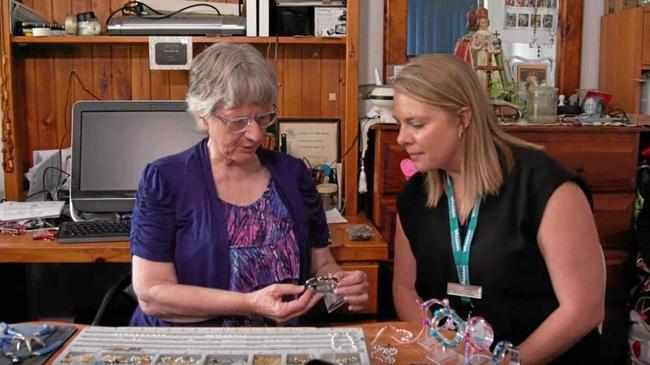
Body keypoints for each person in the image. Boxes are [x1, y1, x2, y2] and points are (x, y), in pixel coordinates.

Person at [129, 43, 369, 327]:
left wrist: (339, 285)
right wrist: (250, 304)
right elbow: (152, 295)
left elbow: (322, 265)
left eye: (262, 117)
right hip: (193, 348)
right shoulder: (166, 180)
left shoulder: (293, 175)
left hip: (281, 346)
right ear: (203, 117)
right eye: (238, 121)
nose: (255, 134)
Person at [391, 54, 605, 364]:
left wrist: (506, 363)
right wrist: (440, 351)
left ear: (463, 119)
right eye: (399, 122)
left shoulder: (545, 187)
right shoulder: (414, 196)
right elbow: (404, 288)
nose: (401, 138)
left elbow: (583, 309)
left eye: (417, 124)